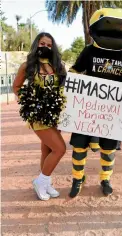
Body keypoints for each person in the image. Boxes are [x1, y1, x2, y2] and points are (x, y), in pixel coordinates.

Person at [68, 8, 122, 198]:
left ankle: (105, 179)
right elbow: (75, 70)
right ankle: (77, 178)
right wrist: (68, 81)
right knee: (79, 146)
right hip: (86, 110)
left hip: (112, 112)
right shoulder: (89, 51)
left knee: (108, 148)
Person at [13, 32, 67, 201]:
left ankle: (46, 182)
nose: (46, 47)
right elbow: (16, 87)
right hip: (38, 115)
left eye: (49, 45)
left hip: (55, 113)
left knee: (48, 148)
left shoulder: (58, 65)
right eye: (43, 43)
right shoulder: (27, 65)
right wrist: (30, 102)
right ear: (37, 44)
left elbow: (66, 86)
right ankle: (40, 181)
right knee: (60, 149)